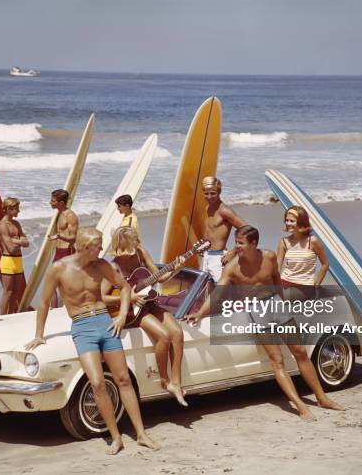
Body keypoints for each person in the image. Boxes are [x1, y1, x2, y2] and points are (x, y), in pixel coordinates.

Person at [185, 225, 343, 421]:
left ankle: (321, 398)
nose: (237, 247)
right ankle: (301, 406)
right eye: (236, 242)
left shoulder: (268, 257)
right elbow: (217, 295)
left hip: (276, 305)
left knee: (301, 352)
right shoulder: (232, 268)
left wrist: (285, 306)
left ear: (253, 243)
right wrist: (200, 313)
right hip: (256, 311)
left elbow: (277, 281)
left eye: (241, 243)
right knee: (277, 360)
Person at [25, 227, 159, 455]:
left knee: (123, 379)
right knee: (97, 383)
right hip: (82, 327)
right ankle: (115, 438)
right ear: (86, 247)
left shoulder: (101, 266)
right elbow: (45, 302)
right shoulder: (60, 269)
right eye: (98, 247)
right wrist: (39, 334)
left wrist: (121, 313)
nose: (101, 250)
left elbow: (124, 287)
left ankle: (141, 434)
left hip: (105, 323)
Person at [102, 226, 188, 406]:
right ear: (124, 243)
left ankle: (176, 382)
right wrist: (129, 297)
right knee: (163, 336)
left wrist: (176, 270)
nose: (138, 243)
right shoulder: (113, 266)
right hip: (132, 310)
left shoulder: (140, 253)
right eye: (134, 240)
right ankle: (165, 381)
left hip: (149, 303)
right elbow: (101, 297)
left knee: (177, 333)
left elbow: (159, 278)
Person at [277, 206, 329, 301]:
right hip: (284, 282)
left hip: (303, 286)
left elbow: (325, 264)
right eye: (286, 220)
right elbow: (277, 266)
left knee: (276, 300)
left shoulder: (312, 241)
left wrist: (316, 285)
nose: (288, 223)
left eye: (292, 221)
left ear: (301, 222)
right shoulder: (284, 242)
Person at [200, 176, 248, 282]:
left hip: (219, 258)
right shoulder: (207, 208)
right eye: (206, 193)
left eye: (213, 193)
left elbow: (247, 230)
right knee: (208, 293)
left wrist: (234, 251)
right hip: (207, 256)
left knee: (223, 293)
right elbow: (211, 232)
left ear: (219, 191)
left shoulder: (224, 211)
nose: (209, 196)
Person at [0, 197, 29, 315]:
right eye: (16, 209)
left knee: (16, 292)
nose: (18, 211)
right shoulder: (2, 225)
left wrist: (15, 240)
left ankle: (11, 316)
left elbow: (27, 243)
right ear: (9, 209)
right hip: (8, 260)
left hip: (18, 260)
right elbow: (10, 248)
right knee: (8, 292)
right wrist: (19, 241)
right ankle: (3, 317)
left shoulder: (16, 223)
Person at [48, 189, 79, 307]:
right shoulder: (59, 214)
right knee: (53, 283)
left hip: (67, 252)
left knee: (64, 283)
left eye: (53, 201)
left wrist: (59, 236)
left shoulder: (70, 216)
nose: (50, 203)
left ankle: (68, 307)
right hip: (59, 252)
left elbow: (73, 238)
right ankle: (55, 309)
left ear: (61, 203)